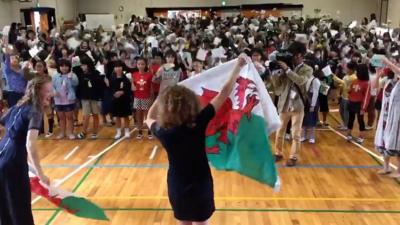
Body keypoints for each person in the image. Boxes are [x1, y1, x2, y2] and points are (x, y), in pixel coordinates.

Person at [145, 55, 246, 225]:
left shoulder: (164, 132)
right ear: (191, 103)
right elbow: (224, 93)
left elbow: (148, 117)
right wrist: (238, 66)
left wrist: (162, 96)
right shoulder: (199, 121)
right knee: (202, 222)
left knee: (183, 222)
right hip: (201, 182)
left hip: (177, 184)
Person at [0, 76, 52, 225]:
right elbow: (30, 144)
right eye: (48, 90)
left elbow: (4, 126)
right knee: (20, 210)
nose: (51, 94)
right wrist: (41, 174)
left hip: (3, 158)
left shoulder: (18, 106)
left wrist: (32, 169)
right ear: (38, 92)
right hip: (13, 163)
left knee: (5, 209)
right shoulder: (35, 111)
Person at [271, 41, 313, 166]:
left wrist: (287, 69)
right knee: (280, 131)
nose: (291, 57)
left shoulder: (307, 69)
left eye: (293, 54)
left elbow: (300, 81)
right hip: (284, 103)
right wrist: (275, 73)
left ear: (299, 55)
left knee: (295, 133)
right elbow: (278, 85)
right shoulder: (287, 66)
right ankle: (278, 153)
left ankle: (293, 156)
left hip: (297, 104)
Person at [375, 57, 400, 177]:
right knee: (384, 140)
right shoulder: (387, 80)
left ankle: (399, 171)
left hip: (397, 116)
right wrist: (377, 75)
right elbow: (374, 87)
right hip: (386, 115)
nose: (392, 65)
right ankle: (386, 167)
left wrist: (387, 61)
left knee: (397, 141)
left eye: (395, 63)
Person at [76, 57, 104, 140]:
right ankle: (84, 132)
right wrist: (79, 96)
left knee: (95, 115)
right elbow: (80, 87)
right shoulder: (81, 75)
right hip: (85, 98)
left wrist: (100, 96)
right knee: (86, 116)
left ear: (88, 65)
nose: (82, 67)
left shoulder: (96, 73)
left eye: (83, 65)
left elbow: (100, 86)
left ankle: (95, 132)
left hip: (95, 98)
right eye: (81, 65)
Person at [52, 59, 79, 140]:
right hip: (58, 100)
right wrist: (54, 91)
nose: (64, 68)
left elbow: (76, 83)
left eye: (66, 66)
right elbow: (52, 86)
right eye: (62, 66)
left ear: (69, 67)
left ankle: (70, 133)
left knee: (70, 117)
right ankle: (62, 133)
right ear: (59, 67)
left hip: (69, 100)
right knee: (61, 118)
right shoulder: (55, 75)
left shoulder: (72, 75)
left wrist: (70, 78)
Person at [346, 64, 370, 144]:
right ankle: (349, 134)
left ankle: (361, 136)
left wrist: (363, 108)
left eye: (357, 71)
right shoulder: (355, 81)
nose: (356, 72)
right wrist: (349, 92)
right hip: (352, 102)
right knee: (351, 119)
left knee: (360, 120)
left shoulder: (366, 83)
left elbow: (366, 97)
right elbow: (350, 91)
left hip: (359, 104)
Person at [132, 57, 154, 139]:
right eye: (139, 64)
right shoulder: (134, 75)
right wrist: (132, 83)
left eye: (142, 64)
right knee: (138, 115)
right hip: (137, 97)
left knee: (147, 115)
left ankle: (149, 131)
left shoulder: (149, 75)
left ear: (145, 65)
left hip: (146, 97)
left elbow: (151, 88)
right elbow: (132, 88)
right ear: (136, 65)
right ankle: (140, 131)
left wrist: (152, 99)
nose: (140, 66)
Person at [110, 60, 132, 139]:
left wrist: (122, 92)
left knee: (125, 116)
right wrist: (114, 93)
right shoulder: (112, 77)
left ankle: (127, 131)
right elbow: (111, 88)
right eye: (116, 67)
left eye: (119, 66)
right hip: (115, 100)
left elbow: (129, 88)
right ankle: (118, 132)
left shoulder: (126, 77)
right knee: (117, 117)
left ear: (122, 68)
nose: (118, 68)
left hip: (124, 99)